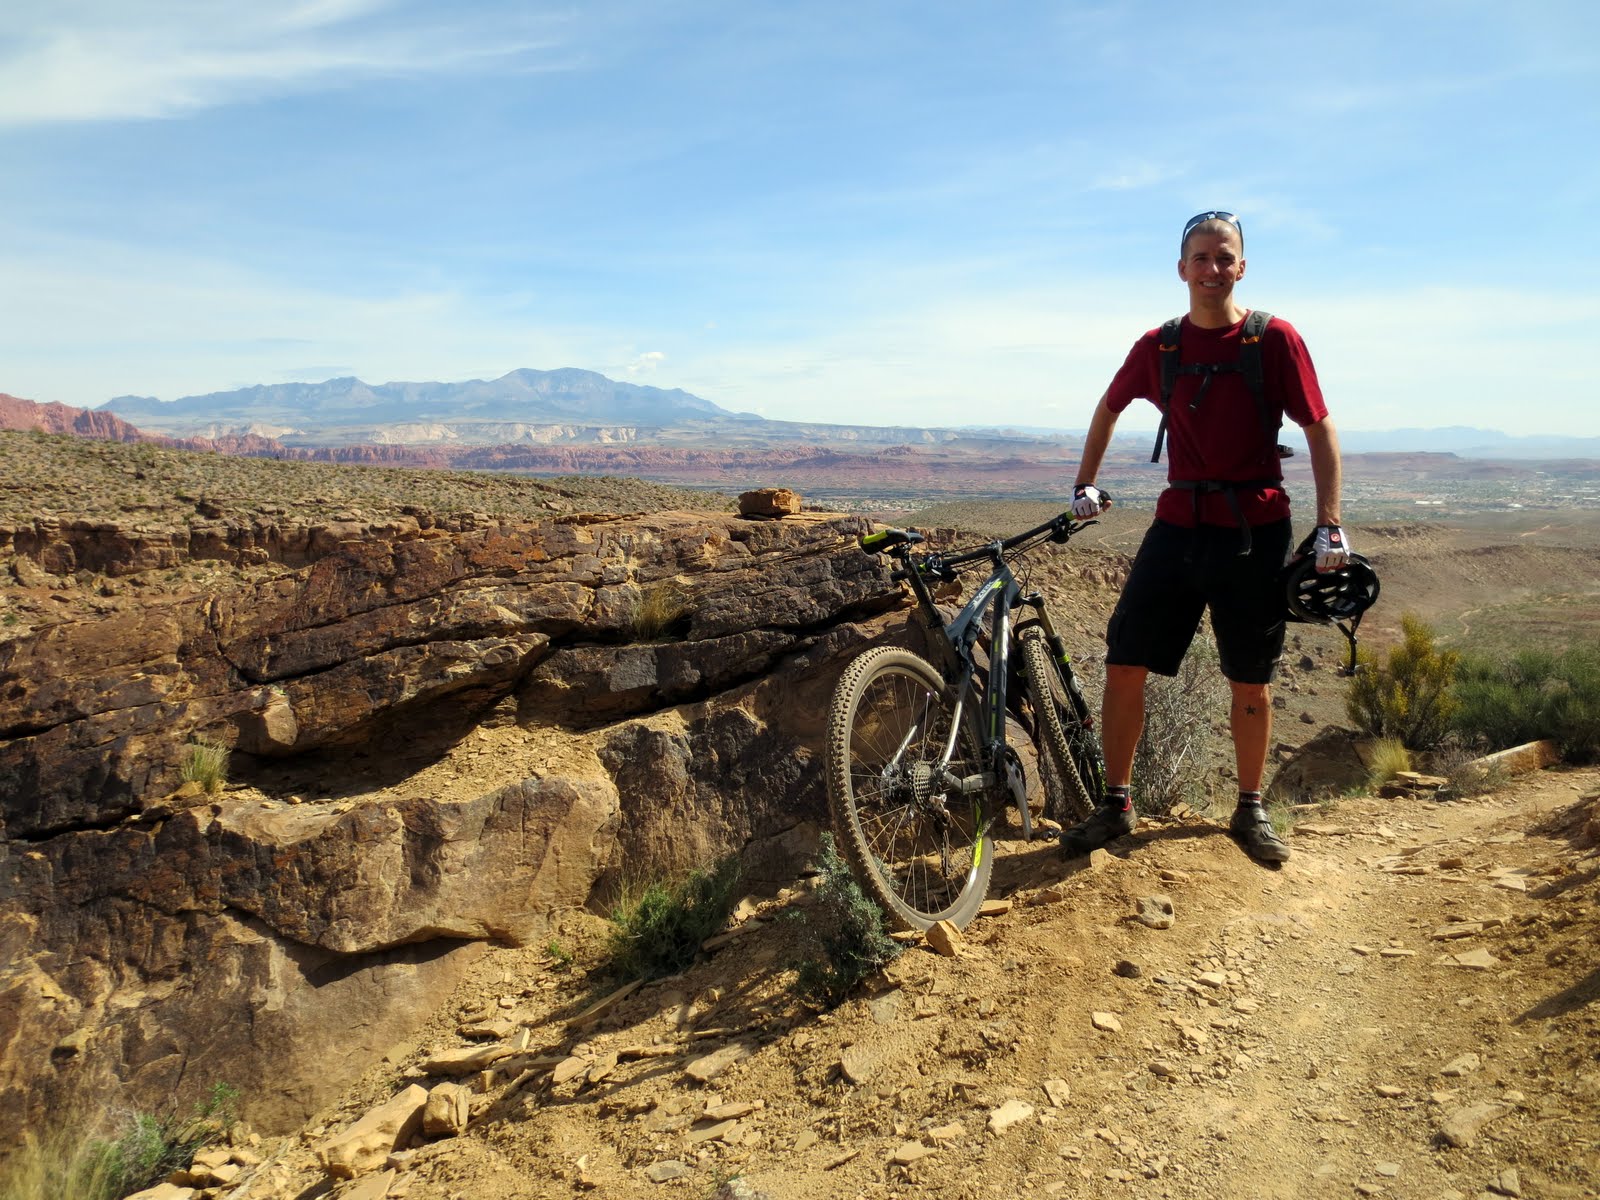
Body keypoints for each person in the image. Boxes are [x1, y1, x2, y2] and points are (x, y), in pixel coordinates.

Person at [1063, 210, 1351, 865]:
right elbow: (1109, 407)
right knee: (1125, 659)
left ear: (1241, 267)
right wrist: (1084, 481)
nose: (1213, 269)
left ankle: (1249, 810)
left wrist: (1329, 521)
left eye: (1225, 258)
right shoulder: (1159, 346)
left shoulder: (1273, 339)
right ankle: (1115, 804)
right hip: (1178, 524)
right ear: (1182, 268)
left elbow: (1320, 429)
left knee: (1250, 678)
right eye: (1201, 257)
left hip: (1255, 531)